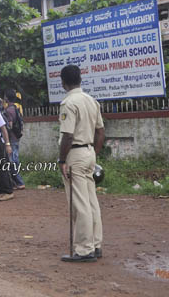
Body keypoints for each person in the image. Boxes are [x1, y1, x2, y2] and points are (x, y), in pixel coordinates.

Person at [58, 65, 105, 263]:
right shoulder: (91, 100)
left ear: (63, 82)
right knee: (91, 200)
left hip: (75, 154)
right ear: (80, 79)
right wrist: (92, 153)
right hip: (89, 152)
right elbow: (101, 132)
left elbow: (68, 135)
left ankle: (84, 249)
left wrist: (62, 160)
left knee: (80, 203)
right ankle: (95, 244)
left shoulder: (68, 103)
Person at [4, 89, 25, 190]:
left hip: (11, 138)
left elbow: (10, 125)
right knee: (14, 160)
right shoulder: (15, 108)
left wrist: (3, 131)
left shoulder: (8, 110)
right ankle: (17, 182)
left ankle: (19, 182)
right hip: (16, 138)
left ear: (6, 98)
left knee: (12, 161)